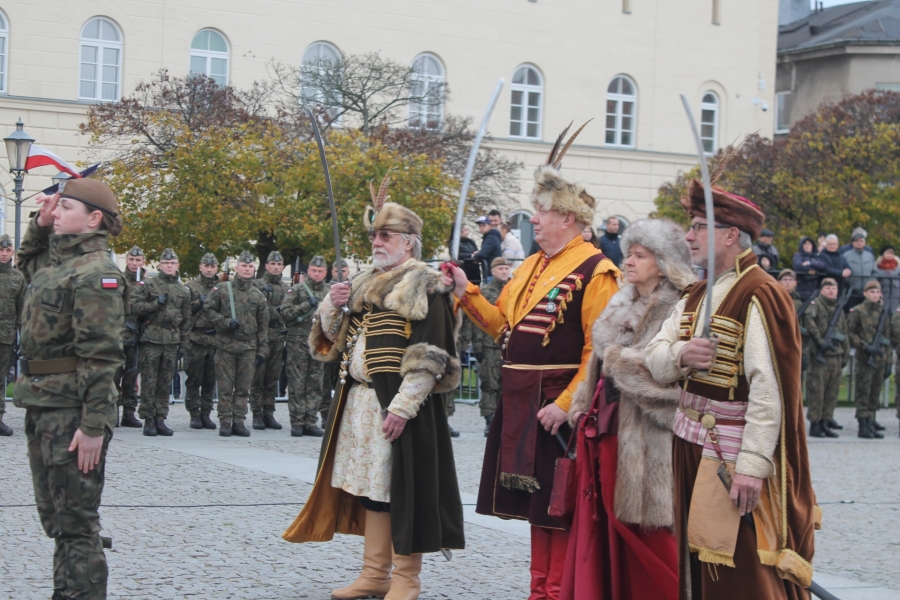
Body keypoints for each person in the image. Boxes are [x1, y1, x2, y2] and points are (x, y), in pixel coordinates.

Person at [444, 123, 620, 600]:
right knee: (536, 508)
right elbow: (503, 326)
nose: (534, 220)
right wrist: (465, 291)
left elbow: (599, 351)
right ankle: (538, 590)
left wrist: (566, 404)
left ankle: (557, 593)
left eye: (542, 211)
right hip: (522, 398)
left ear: (568, 217)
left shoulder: (597, 271)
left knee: (559, 506)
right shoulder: (530, 265)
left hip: (557, 405)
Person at [283, 181, 464, 600]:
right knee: (372, 490)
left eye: (386, 235)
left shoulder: (427, 284)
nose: (377, 242)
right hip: (359, 400)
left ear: (409, 242)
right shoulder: (364, 282)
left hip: (400, 405)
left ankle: (405, 580)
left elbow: (431, 355)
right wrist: (332, 304)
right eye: (374, 235)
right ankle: (374, 574)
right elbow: (332, 341)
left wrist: (402, 408)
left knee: (402, 491)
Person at [645, 178, 818, 599]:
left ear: (730, 235)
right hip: (686, 447)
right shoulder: (696, 293)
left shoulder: (760, 293)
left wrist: (752, 467)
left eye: (699, 227)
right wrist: (682, 354)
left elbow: (770, 391)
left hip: (727, 454)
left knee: (738, 570)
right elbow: (654, 356)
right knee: (696, 567)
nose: (689, 236)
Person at [561, 219, 694, 600]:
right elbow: (596, 365)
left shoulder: (680, 309)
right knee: (601, 524)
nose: (629, 262)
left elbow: (676, 381)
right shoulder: (621, 302)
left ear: (663, 264)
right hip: (603, 430)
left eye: (640, 255)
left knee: (649, 536)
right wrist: (581, 404)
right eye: (629, 255)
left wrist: (621, 362)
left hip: (647, 440)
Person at [16, 181, 126, 599]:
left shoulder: (97, 273)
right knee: (58, 520)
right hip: (43, 403)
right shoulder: (59, 265)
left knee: (77, 524)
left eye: (65, 207)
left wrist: (94, 424)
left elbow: (102, 356)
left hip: (70, 411)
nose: (56, 212)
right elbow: (28, 264)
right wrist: (40, 224)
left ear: (93, 218)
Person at [204, 250, 269, 437]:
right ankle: (225, 421)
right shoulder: (222, 289)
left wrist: (262, 351)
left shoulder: (258, 295)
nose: (247, 269)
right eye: (244, 266)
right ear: (237, 268)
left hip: (248, 347)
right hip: (226, 345)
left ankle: (239, 421)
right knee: (225, 387)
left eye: (250, 266)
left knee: (243, 388)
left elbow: (263, 326)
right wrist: (224, 322)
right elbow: (207, 310)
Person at [132, 248, 191, 437]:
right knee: (149, 381)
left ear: (177, 265)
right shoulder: (149, 285)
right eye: (166, 263)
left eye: (172, 263)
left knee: (165, 382)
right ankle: (148, 418)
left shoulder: (183, 290)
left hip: (171, 340)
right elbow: (134, 307)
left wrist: (184, 344)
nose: (169, 266)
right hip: (152, 338)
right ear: (159, 265)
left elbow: (186, 320)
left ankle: (160, 418)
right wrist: (154, 304)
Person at [279, 255, 331, 437]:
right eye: (314, 271)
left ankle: (310, 421)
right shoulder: (297, 290)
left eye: (320, 271)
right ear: (308, 271)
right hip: (298, 342)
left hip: (320, 342)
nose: (317, 274)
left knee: (316, 383)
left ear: (325, 273)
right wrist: (305, 305)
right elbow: (285, 313)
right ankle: (297, 421)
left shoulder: (329, 293)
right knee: (297, 382)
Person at [847, 279, 892, 439]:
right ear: (865, 293)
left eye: (877, 292)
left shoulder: (882, 312)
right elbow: (850, 333)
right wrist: (865, 346)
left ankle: (871, 421)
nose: (875, 295)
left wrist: (888, 361)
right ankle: (863, 425)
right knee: (863, 392)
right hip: (865, 358)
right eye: (872, 292)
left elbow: (887, 338)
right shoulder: (858, 311)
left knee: (875, 392)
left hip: (879, 358)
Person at [804, 278, 848, 438]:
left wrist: (845, 354)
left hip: (835, 356)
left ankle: (826, 421)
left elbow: (844, 333)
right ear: (821, 290)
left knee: (832, 392)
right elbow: (808, 321)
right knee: (817, 392)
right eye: (828, 288)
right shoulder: (815, 305)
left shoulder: (838, 308)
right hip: (820, 357)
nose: (831, 290)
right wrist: (820, 341)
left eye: (834, 288)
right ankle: (815, 424)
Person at [474, 257, 512, 437]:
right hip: (490, 346)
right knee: (490, 384)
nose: (504, 272)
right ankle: (490, 420)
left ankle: (503, 420)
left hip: (510, 346)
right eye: (501, 269)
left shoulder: (515, 290)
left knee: (507, 386)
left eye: (506, 268)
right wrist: (477, 346)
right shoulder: (486, 292)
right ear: (493, 271)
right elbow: (478, 319)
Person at [250, 251, 287, 431]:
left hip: (278, 337)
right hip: (261, 338)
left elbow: (287, 312)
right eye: (273, 264)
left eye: (279, 265)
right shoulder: (256, 285)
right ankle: (257, 413)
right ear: (266, 266)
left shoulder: (285, 288)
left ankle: (268, 413)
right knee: (258, 378)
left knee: (272, 378)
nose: (275, 267)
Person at [183, 252, 220, 430]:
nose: (209, 269)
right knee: (194, 379)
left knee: (210, 381)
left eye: (212, 266)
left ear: (216, 268)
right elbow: (184, 311)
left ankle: (206, 413)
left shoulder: (222, 287)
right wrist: (198, 302)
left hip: (214, 339)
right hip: (196, 338)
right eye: (206, 266)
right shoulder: (191, 287)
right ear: (200, 267)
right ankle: (194, 413)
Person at [112, 245, 145, 429]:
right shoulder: (118, 280)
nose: (134, 263)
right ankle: (113, 412)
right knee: (114, 376)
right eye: (131, 260)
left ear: (143, 262)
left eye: (138, 260)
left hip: (137, 337)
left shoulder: (147, 283)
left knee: (131, 378)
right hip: (118, 336)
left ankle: (129, 413)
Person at [320, 258, 351, 425]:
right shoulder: (326, 289)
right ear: (332, 272)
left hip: (346, 341)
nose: (340, 273)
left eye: (343, 271)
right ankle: (325, 414)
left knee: (342, 380)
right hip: (328, 341)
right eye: (337, 270)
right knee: (325, 380)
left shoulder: (354, 288)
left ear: (348, 272)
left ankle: (341, 413)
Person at [0, 234, 24, 437]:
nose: (4, 254)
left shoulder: (18, 278)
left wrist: (24, 337)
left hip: (6, 336)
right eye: (1, 250)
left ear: (12, 253)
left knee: (1, 378)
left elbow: (21, 311)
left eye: (8, 250)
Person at [843, 232, 877, 308]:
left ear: (865, 243)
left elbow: (875, 272)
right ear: (852, 243)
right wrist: (849, 281)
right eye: (856, 241)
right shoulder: (846, 256)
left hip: (867, 292)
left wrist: (870, 282)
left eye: (861, 241)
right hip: (852, 291)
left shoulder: (869, 256)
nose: (859, 243)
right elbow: (843, 270)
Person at [473, 215, 502, 280]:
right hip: (491, 271)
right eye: (480, 226)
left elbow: (483, 254)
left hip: (491, 273)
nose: (481, 228)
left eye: (484, 225)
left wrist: (475, 255)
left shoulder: (491, 238)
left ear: (490, 226)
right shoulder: (490, 236)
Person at [876, 244, 900, 313]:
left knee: (895, 312)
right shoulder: (877, 267)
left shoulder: (898, 266)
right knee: (883, 312)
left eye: (891, 253)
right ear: (883, 254)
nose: (889, 255)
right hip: (883, 292)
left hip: (896, 293)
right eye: (887, 253)